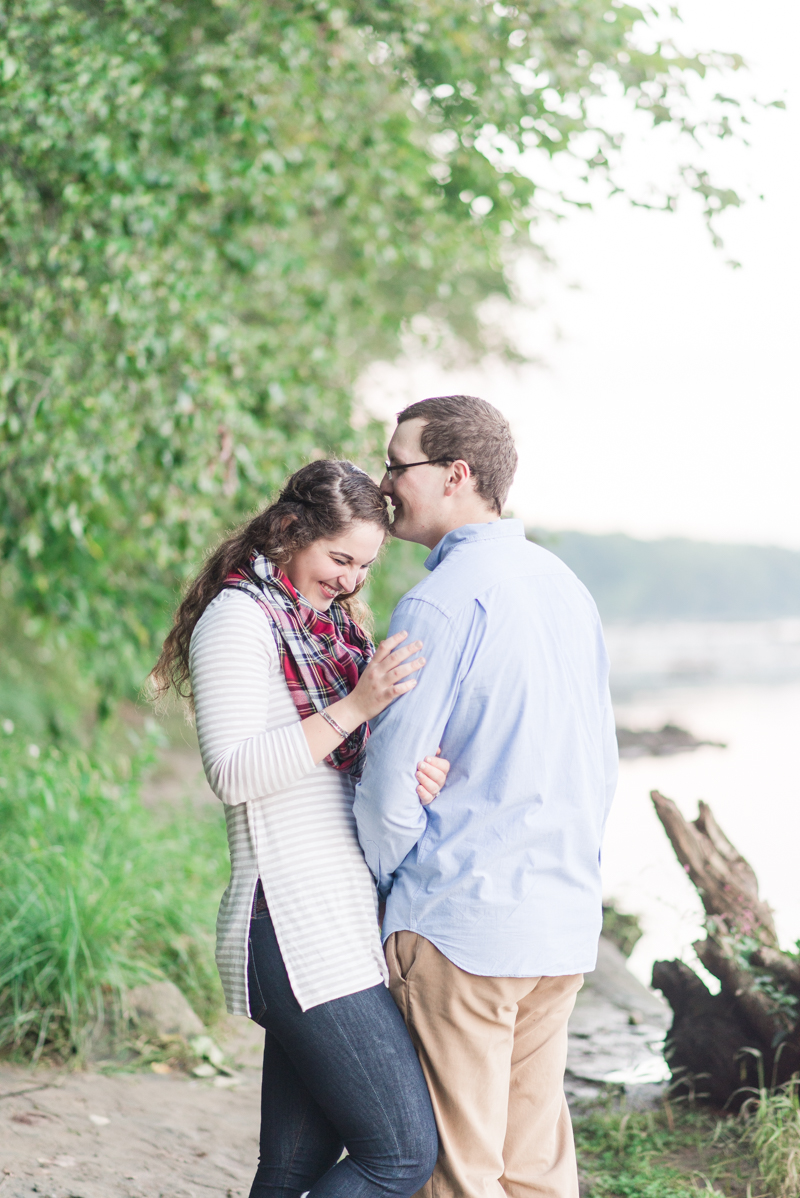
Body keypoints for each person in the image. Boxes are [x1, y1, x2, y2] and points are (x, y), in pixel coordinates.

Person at [151, 459, 448, 1198]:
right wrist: (358, 705)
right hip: (290, 921)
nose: (351, 580)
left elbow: (331, 773)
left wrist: (406, 771)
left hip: (328, 921)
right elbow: (236, 771)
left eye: (364, 566)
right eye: (339, 558)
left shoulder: (321, 631)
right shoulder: (239, 618)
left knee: (291, 1168)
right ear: (290, 531)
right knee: (401, 1158)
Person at [353, 396, 619, 1198]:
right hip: (561, 925)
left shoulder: (440, 601)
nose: (386, 481)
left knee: (457, 1174)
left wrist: (392, 882)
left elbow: (390, 782)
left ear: (456, 474)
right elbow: (598, 763)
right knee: (535, 1170)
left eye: (399, 465)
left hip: (462, 927)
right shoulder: (565, 587)